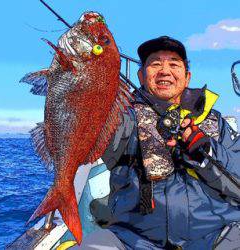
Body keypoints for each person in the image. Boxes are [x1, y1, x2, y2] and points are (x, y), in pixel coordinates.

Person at [75, 36, 240, 250]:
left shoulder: (215, 121)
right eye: (155, 64)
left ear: (187, 77)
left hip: (216, 236)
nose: (165, 71)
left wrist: (207, 151)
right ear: (141, 76)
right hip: (135, 240)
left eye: (174, 64)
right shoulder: (124, 117)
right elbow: (95, 135)